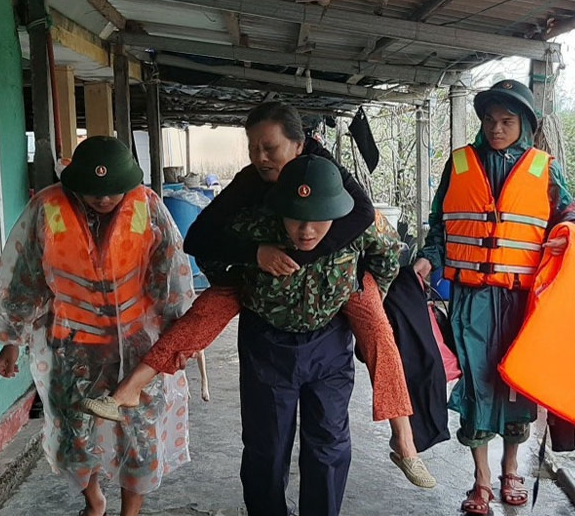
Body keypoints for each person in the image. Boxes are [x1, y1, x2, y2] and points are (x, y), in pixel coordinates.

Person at [92, 102, 435, 489]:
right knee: (203, 317)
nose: (260, 157)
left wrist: (350, 279)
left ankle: (404, 441)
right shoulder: (252, 188)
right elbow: (202, 239)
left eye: (269, 148)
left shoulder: (328, 175)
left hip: (339, 281)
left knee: (378, 330)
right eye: (253, 148)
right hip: (259, 281)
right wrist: (249, 260)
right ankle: (130, 388)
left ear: (299, 144)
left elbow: (371, 227)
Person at [0, 136, 194, 516]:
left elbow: (172, 275)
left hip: (140, 352)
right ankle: (94, 507)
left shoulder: (149, 207)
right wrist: (12, 338)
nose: (103, 198)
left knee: (140, 441)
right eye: (93, 190)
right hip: (74, 349)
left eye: (112, 190)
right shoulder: (47, 210)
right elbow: (23, 277)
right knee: (75, 439)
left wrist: (180, 339)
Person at [413, 79, 575, 514]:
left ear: (525, 124)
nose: (496, 128)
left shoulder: (544, 168)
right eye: (489, 120)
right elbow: (441, 223)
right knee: (478, 386)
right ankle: (480, 481)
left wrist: (569, 233)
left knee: (517, 385)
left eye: (506, 121)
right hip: (471, 300)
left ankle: (510, 470)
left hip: (521, 303)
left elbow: (570, 217)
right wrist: (429, 257)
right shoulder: (460, 164)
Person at [234, 155, 400, 516]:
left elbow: (390, 257)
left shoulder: (364, 224)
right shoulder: (255, 224)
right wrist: (254, 258)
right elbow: (212, 252)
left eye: (318, 221)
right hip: (266, 342)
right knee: (268, 442)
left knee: (328, 445)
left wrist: (362, 299)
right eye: (296, 219)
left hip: (329, 344)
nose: (306, 231)